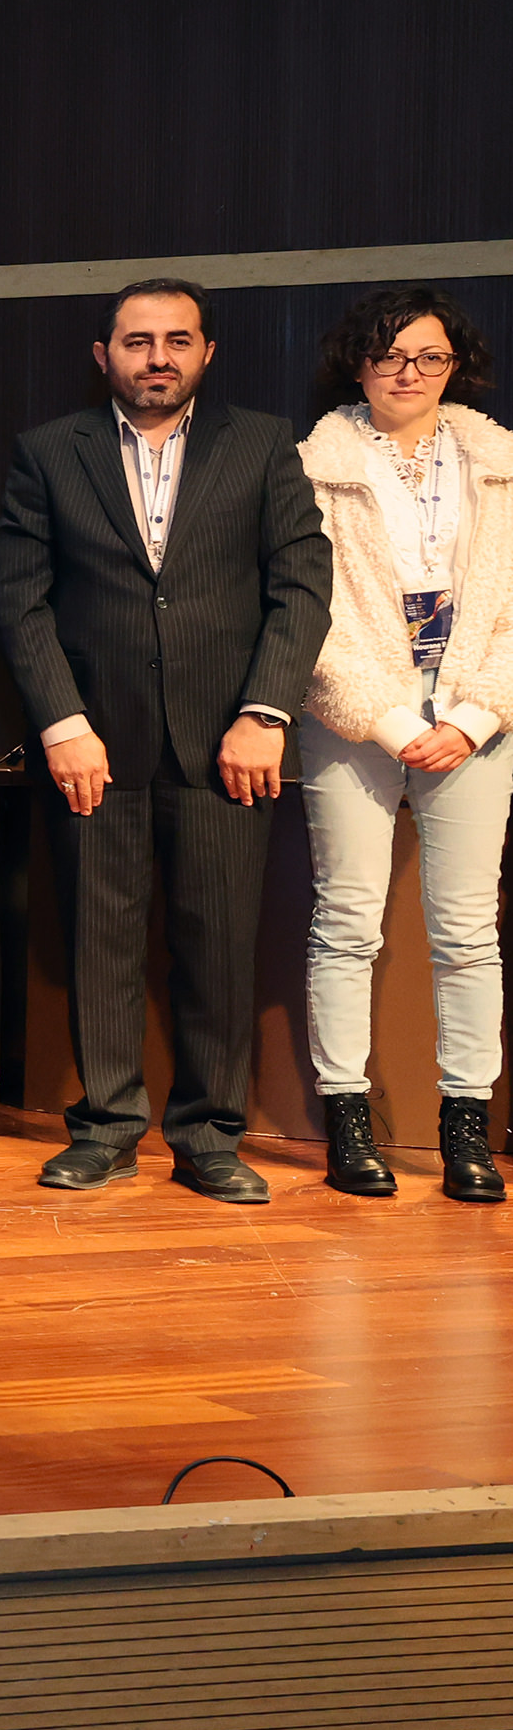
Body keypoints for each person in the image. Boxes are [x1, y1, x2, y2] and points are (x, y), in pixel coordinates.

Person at [0, 279, 333, 1205]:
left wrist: (266, 713)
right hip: (92, 743)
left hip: (229, 745)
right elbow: (21, 598)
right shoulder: (47, 452)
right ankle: (105, 1129)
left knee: (217, 946)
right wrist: (63, 723)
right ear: (104, 354)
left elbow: (302, 585)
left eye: (178, 340)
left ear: (206, 352)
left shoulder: (262, 444)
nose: (158, 358)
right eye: (138, 341)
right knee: (97, 944)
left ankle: (210, 1137)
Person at [290, 287, 512, 1202]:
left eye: (429, 356)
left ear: (455, 365)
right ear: (358, 364)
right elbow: (307, 609)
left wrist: (473, 716)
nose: (409, 373)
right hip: (354, 709)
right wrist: (387, 718)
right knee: (348, 919)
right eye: (389, 355)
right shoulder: (312, 466)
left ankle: (467, 1128)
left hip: (472, 710)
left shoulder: (499, 462)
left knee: (467, 930)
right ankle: (347, 1118)